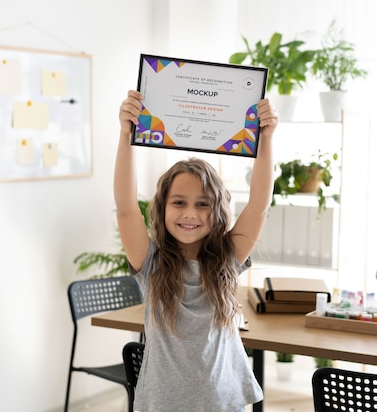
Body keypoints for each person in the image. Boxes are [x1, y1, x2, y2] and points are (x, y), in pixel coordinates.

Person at [114, 89, 278, 412]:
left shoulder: (227, 259)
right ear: (162, 208)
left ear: (216, 211)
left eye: (202, 205)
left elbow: (259, 205)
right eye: (179, 203)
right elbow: (125, 208)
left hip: (222, 404)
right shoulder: (151, 265)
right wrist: (125, 134)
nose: (190, 214)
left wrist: (266, 138)